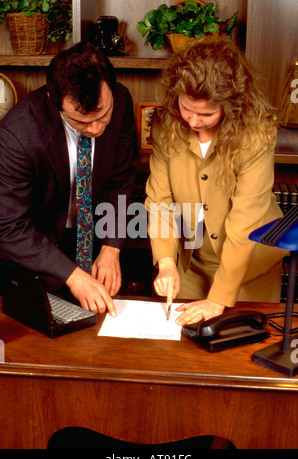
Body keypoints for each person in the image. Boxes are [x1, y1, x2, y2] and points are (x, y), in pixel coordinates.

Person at [145, 37, 288, 326]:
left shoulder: (256, 133)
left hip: (248, 269)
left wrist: (219, 299)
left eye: (207, 114)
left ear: (232, 105)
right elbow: (160, 200)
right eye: (187, 109)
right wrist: (166, 263)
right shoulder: (165, 123)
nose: (193, 122)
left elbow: (244, 222)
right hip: (191, 266)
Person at [0, 42, 136, 316]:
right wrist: (72, 275)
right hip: (39, 253)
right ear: (54, 98)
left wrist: (111, 248)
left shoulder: (119, 100)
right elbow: (10, 227)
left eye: (103, 115)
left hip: (96, 238)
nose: (96, 128)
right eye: (82, 121)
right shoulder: (17, 134)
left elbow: (120, 181)